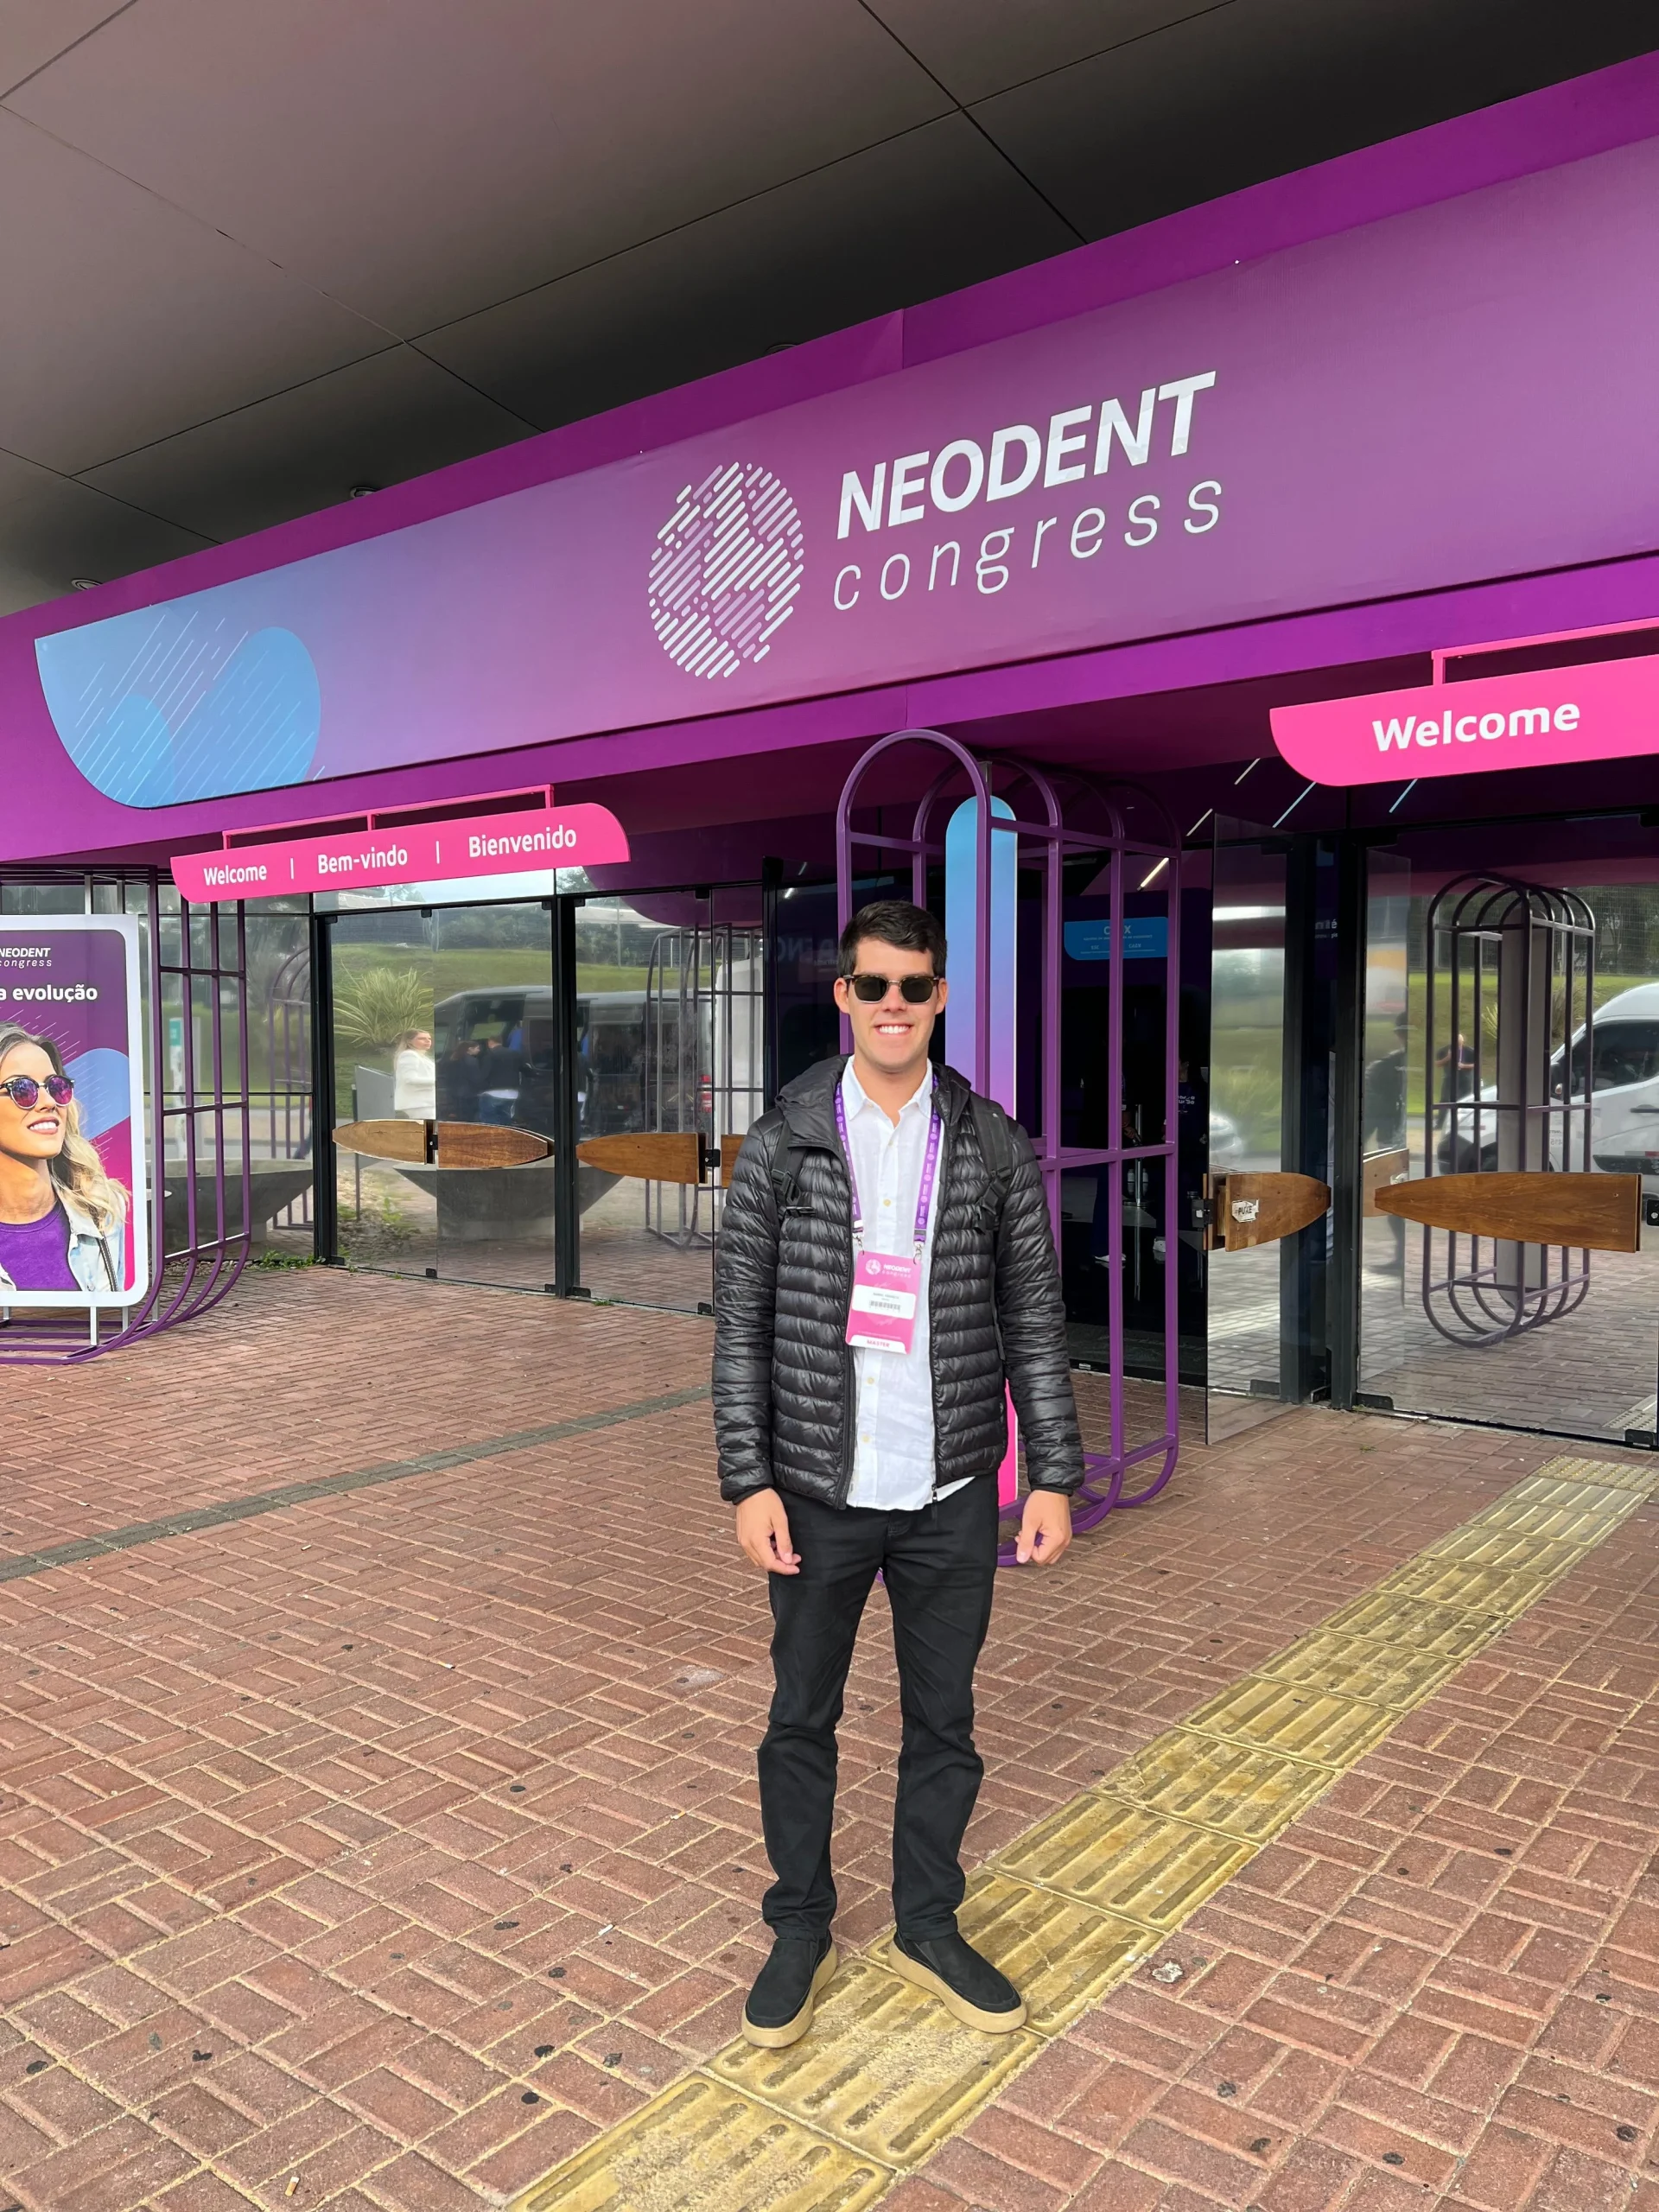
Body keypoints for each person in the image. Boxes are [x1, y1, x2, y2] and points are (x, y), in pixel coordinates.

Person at [714, 899, 1083, 2050]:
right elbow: (741, 1323)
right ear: (843, 995)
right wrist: (748, 1480)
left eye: (914, 987)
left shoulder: (989, 1142)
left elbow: (1034, 1317)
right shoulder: (784, 1139)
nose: (893, 1005)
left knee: (945, 1723)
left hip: (949, 1489)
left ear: (940, 998)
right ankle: (800, 1927)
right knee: (799, 1719)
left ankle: (927, 1922)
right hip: (816, 1490)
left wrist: (1054, 1473)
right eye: (872, 985)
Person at [0, 1025, 127, 1296]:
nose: (49, 1102)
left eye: (55, 1087)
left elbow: (114, 1319)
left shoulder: (101, 1211)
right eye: (21, 1089)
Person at [392, 1028, 436, 1120]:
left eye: (429, 1039)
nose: (428, 1041)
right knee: (426, 1128)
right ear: (409, 1041)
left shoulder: (421, 1056)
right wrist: (437, 1082)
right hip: (418, 1104)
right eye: (422, 1039)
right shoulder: (409, 1055)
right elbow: (410, 1079)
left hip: (424, 1103)